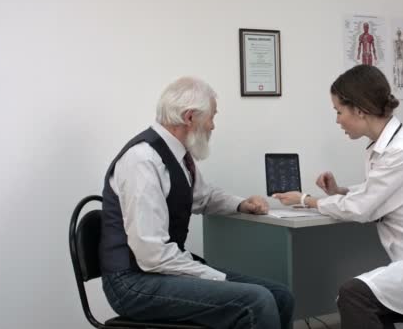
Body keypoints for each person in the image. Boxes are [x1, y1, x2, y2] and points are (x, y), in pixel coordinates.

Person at [273, 65, 403, 329]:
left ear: (359, 110)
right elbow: (381, 192)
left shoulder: (402, 151)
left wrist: (306, 200)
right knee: (359, 297)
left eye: (339, 111)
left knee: (354, 295)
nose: (337, 120)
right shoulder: (387, 147)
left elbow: (362, 209)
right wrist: (340, 191)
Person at [100, 76, 294, 329]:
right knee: (255, 301)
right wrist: (215, 277)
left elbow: (202, 196)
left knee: (281, 296)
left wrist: (241, 204)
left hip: (158, 272)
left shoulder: (177, 156)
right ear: (189, 117)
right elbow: (152, 255)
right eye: (211, 117)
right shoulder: (142, 160)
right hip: (132, 283)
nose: (213, 126)